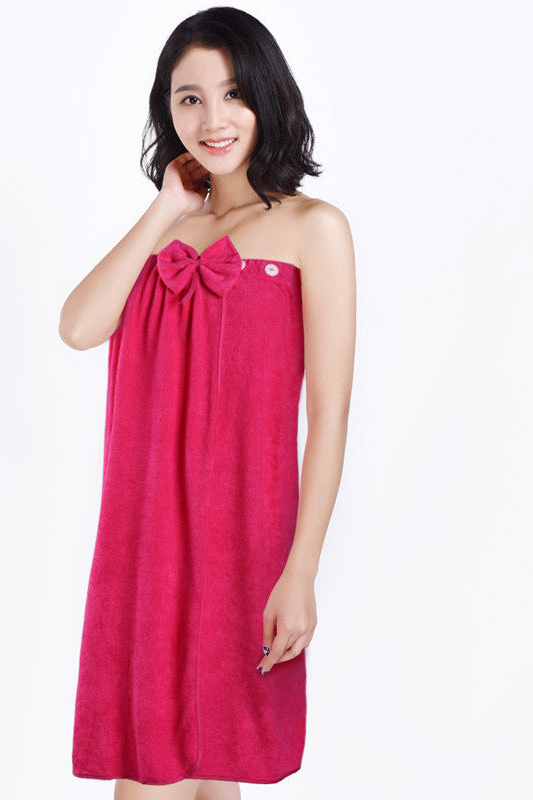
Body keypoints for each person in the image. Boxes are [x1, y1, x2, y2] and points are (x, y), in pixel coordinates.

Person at [59, 7, 355, 800]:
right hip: (147, 547)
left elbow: (329, 416)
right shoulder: (163, 233)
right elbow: (79, 327)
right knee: (183, 771)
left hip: (246, 548)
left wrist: (301, 572)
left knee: (210, 759)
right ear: (168, 110)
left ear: (266, 96)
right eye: (189, 98)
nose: (213, 119)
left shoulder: (314, 229)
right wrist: (165, 208)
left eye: (233, 94)